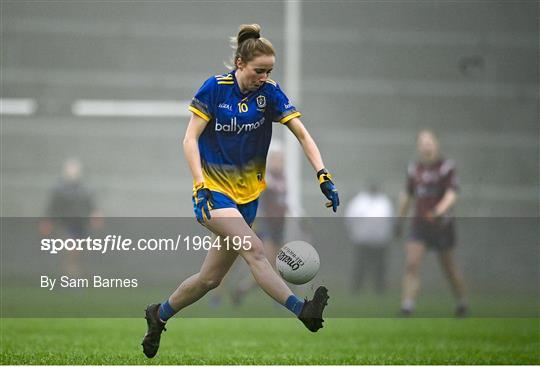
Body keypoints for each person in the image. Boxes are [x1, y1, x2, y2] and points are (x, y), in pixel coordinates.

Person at [141, 24, 339, 358]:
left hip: (247, 200)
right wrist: (199, 185)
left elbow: (303, 135)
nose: (264, 77)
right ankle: (301, 309)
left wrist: (323, 173)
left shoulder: (270, 94)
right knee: (256, 250)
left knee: (209, 280)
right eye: (259, 71)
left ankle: (158, 315)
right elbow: (189, 139)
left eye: (269, 71)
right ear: (239, 63)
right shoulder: (214, 89)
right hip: (213, 195)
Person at [395, 130, 468, 317]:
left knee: (448, 267)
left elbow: (452, 194)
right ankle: (407, 306)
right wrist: (399, 219)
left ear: (437, 144)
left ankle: (462, 302)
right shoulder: (414, 169)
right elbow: (408, 195)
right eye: (423, 142)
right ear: (419, 147)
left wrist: (437, 211)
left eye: (430, 142)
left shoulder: (446, 168)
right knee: (412, 264)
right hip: (419, 224)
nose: (427, 146)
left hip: (442, 225)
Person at [231, 147, 288, 305]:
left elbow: (282, 202)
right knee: (268, 264)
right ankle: (283, 300)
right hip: (266, 225)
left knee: (273, 266)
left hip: (278, 225)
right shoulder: (265, 177)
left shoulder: (282, 178)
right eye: (276, 158)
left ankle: (242, 289)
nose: (279, 161)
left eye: (281, 159)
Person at [39, 158, 102, 276]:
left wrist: (95, 217)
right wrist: (47, 222)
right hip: (65, 226)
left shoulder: (85, 190)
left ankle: (73, 278)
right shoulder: (59, 190)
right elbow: (52, 208)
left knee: (75, 255)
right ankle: (71, 280)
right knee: (70, 254)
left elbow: (92, 207)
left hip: (80, 227)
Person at [344, 183, 393, 293]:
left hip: (380, 241)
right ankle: (356, 289)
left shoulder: (384, 201)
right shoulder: (359, 201)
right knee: (360, 266)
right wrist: (353, 234)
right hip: (362, 240)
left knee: (380, 267)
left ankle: (380, 289)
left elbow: (389, 220)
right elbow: (350, 219)